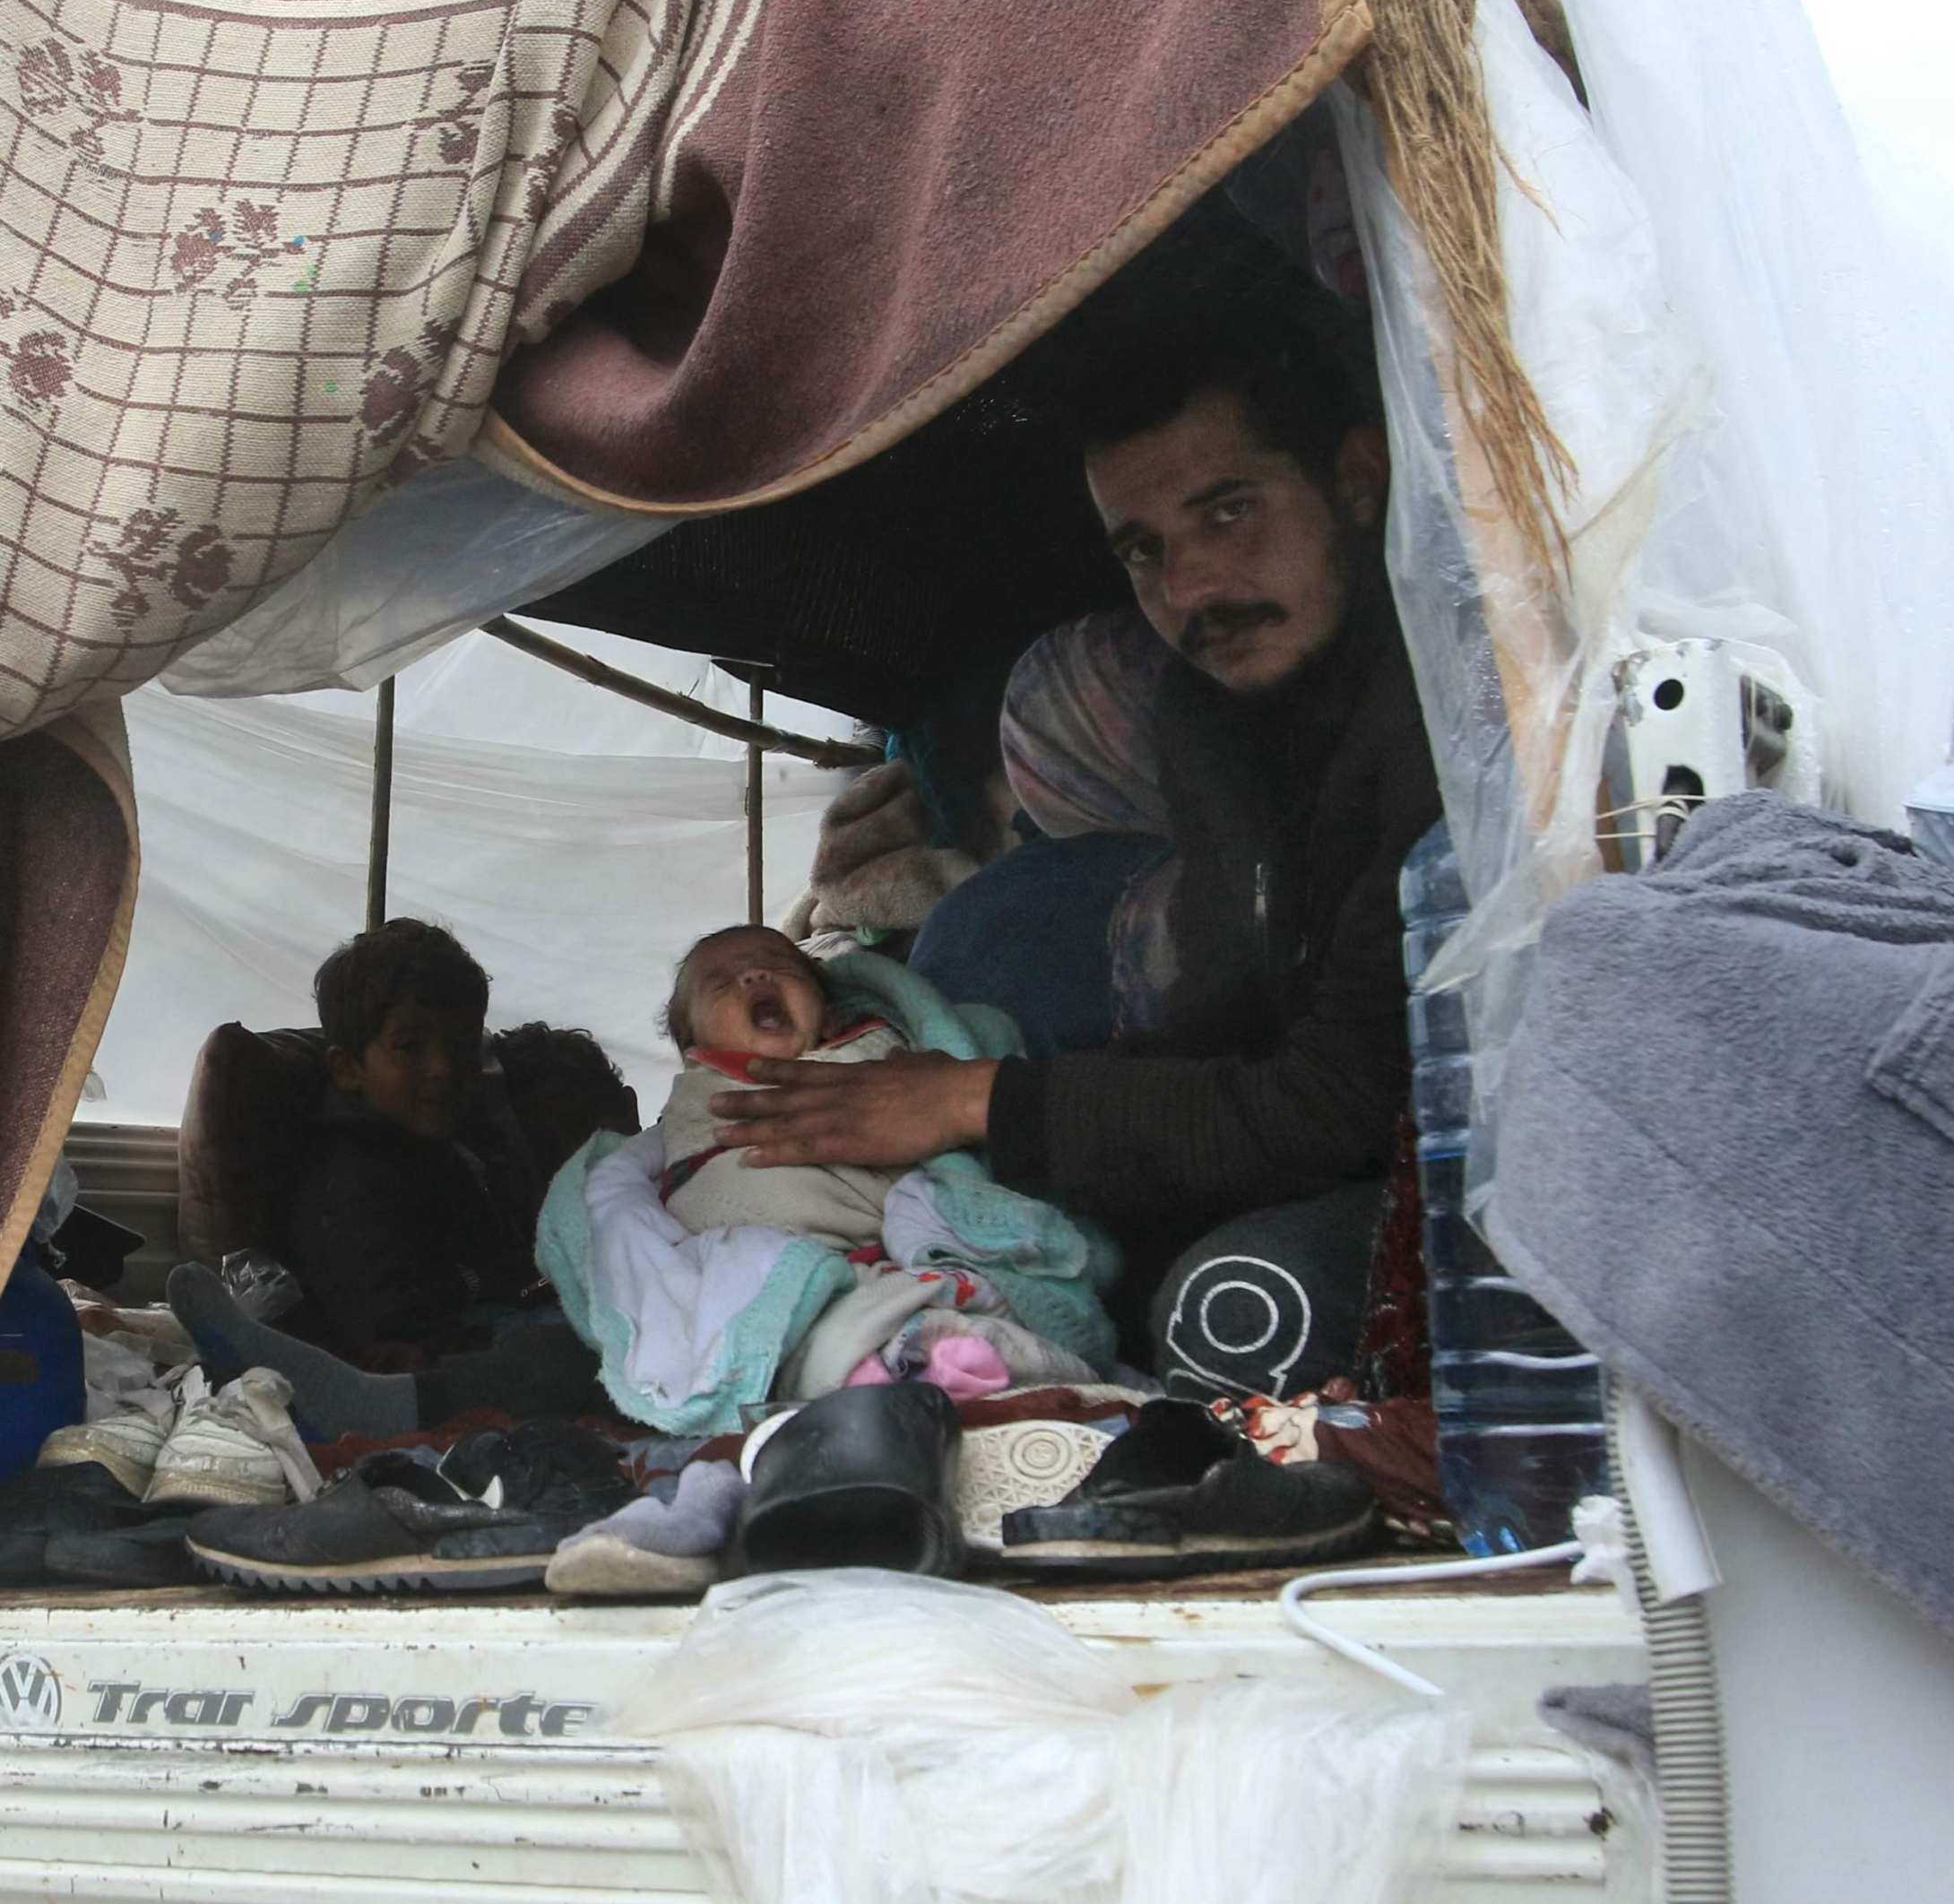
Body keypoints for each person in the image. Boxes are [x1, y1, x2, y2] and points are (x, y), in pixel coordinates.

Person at [709, 285, 1440, 1405]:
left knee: (1234, 1304)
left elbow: (1337, 1107)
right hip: (1295, 1150)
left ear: (1355, 479)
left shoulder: (1438, 717)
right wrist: (963, 1112)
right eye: (1144, 552)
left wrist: (978, 1101)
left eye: (1230, 511)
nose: (1190, 588)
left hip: (1441, 1189)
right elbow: (1221, 1034)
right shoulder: (1214, 722)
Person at [175, 920, 615, 1436]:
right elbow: (389, 1325)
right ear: (347, 1069)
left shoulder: (464, 1146)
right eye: (410, 1047)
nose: (443, 1069)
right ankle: (373, 1405)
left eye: (460, 1045)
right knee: (580, 1356)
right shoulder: (347, 1176)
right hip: (456, 1354)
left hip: (507, 1324)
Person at [653, 924, 904, 1249]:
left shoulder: (879, 1055)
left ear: (829, 1016)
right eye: (720, 983)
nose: (754, 974)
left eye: (779, 966)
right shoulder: (701, 1097)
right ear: (695, 1048)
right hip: (754, 1231)